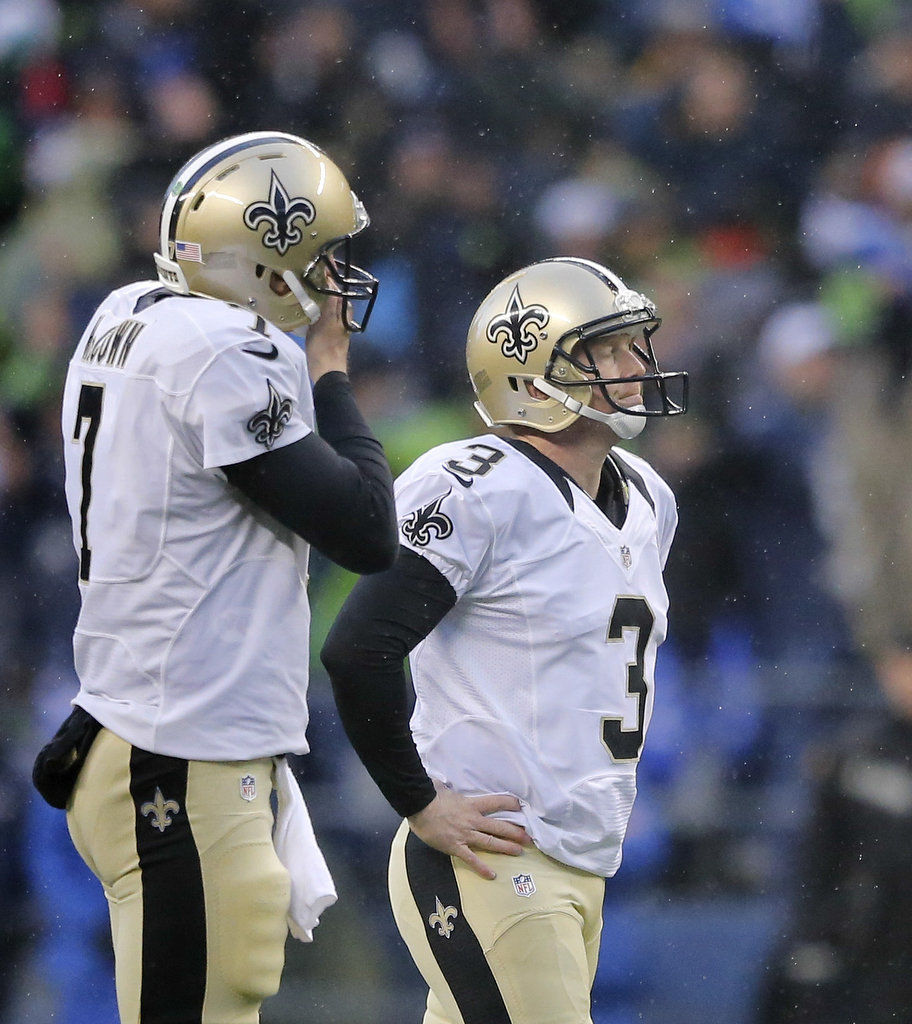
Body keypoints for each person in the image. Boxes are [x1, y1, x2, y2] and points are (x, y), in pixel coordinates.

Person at [31, 130, 398, 1024]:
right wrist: (331, 372)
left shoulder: (128, 312)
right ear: (262, 256)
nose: (332, 280)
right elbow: (366, 529)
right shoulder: (227, 346)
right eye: (318, 255)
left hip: (145, 732)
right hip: (185, 752)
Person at [321, 256, 688, 1024]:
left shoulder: (648, 496)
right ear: (530, 373)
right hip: (496, 854)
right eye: (607, 350)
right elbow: (358, 648)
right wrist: (418, 802)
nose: (634, 366)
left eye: (634, 345)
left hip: (580, 859)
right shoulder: (475, 482)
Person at [758, 637, 912, 1024]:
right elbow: (819, 854)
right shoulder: (854, 755)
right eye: (901, 665)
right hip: (863, 950)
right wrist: (812, 937)